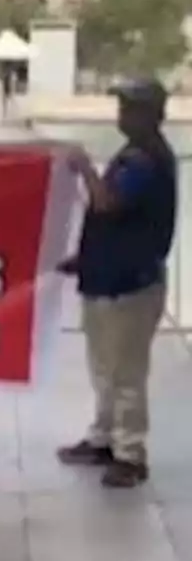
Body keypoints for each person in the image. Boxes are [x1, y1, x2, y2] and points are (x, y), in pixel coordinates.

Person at [56, 77, 177, 488]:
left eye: (129, 107)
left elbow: (108, 203)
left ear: (151, 114)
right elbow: (116, 221)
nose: (121, 114)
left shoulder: (146, 160)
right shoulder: (134, 155)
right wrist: (85, 259)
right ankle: (104, 438)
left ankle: (131, 454)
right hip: (108, 279)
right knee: (105, 369)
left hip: (131, 285)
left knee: (126, 373)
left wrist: (83, 167)